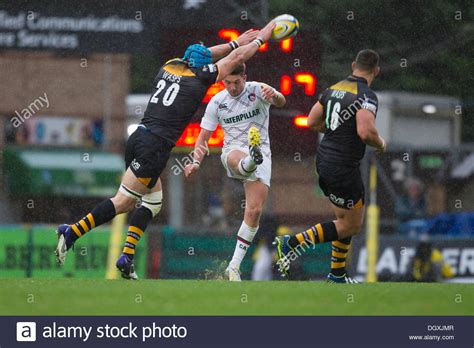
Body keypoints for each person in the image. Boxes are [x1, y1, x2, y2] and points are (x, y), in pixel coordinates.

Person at [55, 21, 277, 280]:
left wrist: (233, 42)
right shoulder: (200, 78)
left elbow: (213, 54)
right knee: (124, 202)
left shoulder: (169, 65)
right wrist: (260, 39)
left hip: (138, 137)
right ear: (200, 65)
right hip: (155, 147)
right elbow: (235, 59)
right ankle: (72, 232)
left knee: (152, 201)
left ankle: (126, 257)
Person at [274, 49, 386, 283]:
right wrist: (380, 143)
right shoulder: (366, 95)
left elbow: (311, 121)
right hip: (343, 165)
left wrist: (335, 130)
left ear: (353, 64)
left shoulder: (333, 89)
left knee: (342, 219)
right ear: (376, 70)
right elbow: (365, 131)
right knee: (351, 226)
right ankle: (292, 243)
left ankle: (337, 274)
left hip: (324, 159)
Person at [185, 64, 285, 280]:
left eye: (236, 82)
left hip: (264, 154)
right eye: (227, 82)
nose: (231, 87)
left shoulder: (258, 90)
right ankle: (250, 159)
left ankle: (233, 267)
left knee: (254, 211)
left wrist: (274, 94)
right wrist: (195, 162)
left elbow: (281, 101)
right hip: (233, 151)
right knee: (234, 157)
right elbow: (203, 139)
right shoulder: (217, 102)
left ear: (245, 78)